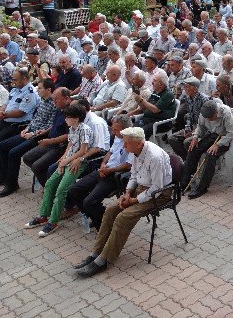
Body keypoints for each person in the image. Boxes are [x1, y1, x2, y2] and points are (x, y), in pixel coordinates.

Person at [74, 127, 172, 277]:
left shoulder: (154, 157)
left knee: (123, 217)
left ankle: (104, 260)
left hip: (159, 194)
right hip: (141, 188)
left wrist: (133, 200)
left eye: (126, 143)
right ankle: (96, 252)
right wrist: (127, 193)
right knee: (110, 210)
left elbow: (157, 188)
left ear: (138, 143)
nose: (124, 146)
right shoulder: (135, 152)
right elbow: (133, 175)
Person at [24, 104, 93, 237]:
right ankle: (43, 215)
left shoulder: (84, 129)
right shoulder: (72, 128)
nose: (65, 119)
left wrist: (67, 161)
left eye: (68, 117)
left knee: (62, 190)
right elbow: (70, 144)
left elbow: (83, 150)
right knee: (50, 183)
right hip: (67, 161)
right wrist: (62, 159)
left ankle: (53, 221)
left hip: (76, 163)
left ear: (77, 118)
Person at [180, 100, 233, 199]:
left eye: (211, 117)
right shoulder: (204, 113)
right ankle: (186, 182)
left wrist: (218, 145)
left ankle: (202, 187)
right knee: (193, 149)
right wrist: (195, 137)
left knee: (210, 154)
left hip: (224, 138)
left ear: (216, 112)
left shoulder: (225, 112)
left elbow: (232, 133)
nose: (209, 120)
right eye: (207, 118)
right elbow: (200, 127)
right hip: (212, 135)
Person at [135, 71, 176, 138]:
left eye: (155, 81)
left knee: (140, 132)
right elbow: (145, 107)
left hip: (161, 123)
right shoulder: (155, 92)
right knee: (132, 129)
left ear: (161, 84)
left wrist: (142, 100)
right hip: (148, 119)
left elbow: (155, 110)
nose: (152, 82)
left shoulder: (168, 94)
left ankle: (141, 147)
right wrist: (139, 101)